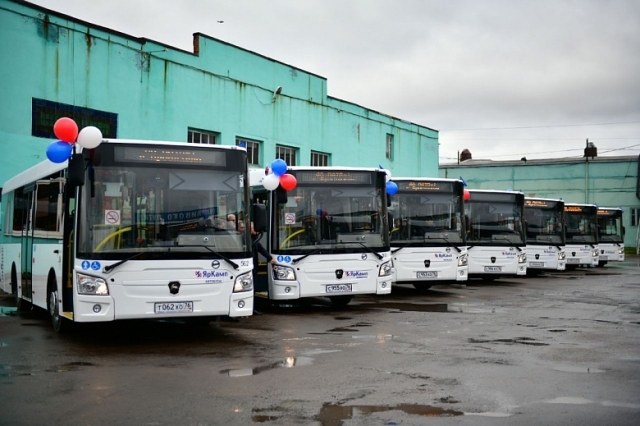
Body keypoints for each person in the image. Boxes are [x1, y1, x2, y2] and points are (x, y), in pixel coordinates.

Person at [251, 222, 275, 314]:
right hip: (249, 268)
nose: (256, 230)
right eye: (253, 228)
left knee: (253, 287)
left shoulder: (254, 238)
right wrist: (270, 258)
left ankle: (253, 308)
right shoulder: (248, 239)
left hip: (254, 267)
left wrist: (270, 258)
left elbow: (261, 249)